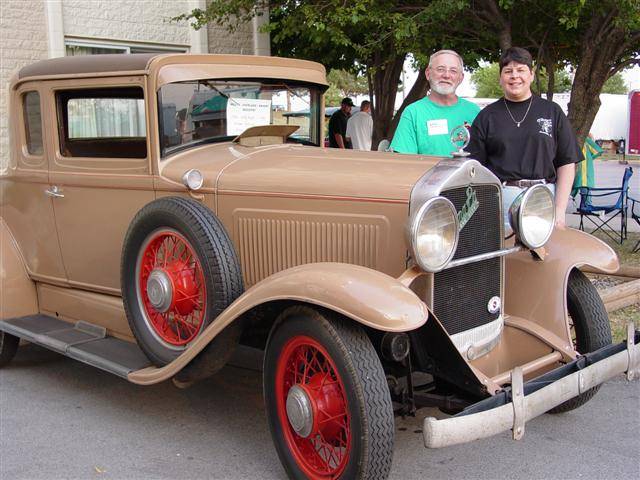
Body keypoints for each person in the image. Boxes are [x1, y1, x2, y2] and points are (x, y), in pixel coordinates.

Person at [467, 47, 581, 228]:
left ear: (531, 75)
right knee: (505, 256)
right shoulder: (487, 116)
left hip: (543, 198)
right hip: (501, 199)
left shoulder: (552, 112)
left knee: (542, 256)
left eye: (521, 70)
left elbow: (567, 163)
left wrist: (559, 211)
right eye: (508, 71)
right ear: (500, 78)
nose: (514, 76)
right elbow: (474, 169)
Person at [390, 49, 480, 156]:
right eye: (440, 69)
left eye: (453, 71)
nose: (446, 75)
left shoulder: (474, 112)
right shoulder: (413, 113)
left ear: (461, 78)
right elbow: (404, 162)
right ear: (428, 74)